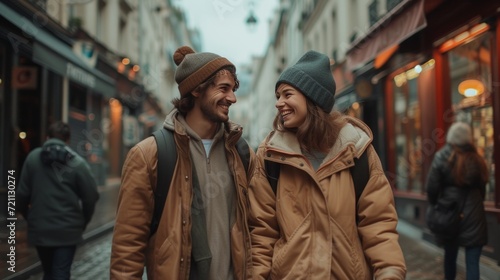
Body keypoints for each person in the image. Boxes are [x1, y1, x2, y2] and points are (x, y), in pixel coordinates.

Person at [247, 50, 406, 279]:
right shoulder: (270, 156)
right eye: (277, 96)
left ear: (312, 98)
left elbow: (378, 223)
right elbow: (262, 232)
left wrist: (390, 271)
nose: (279, 103)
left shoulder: (357, 151)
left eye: (287, 94)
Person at [110, 46, 254, 279]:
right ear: (197, 90)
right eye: (224, 89)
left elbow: (258, 228)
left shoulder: (242, 152)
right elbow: (128, 246)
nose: (232, 98)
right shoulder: (149, 155)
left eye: (233, 89)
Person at [17, 121, 99, 280]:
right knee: (61, 271)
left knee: (48, 271)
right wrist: (83, 220)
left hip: (40, 228)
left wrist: (30, 217)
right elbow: (91, 196)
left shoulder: (33, 158)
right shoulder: (77, 162)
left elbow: (21, 195)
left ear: (47, 137)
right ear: (68, 139)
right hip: (67, 230)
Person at [426, 122, 488, 280]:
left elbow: (432, 188)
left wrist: (436, 205)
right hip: (474, 213)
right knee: (473, 262)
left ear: (451, 138)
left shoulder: (442, 156)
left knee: (450, 258)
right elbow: (483, 188)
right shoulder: (477, 158)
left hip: (449, 213)